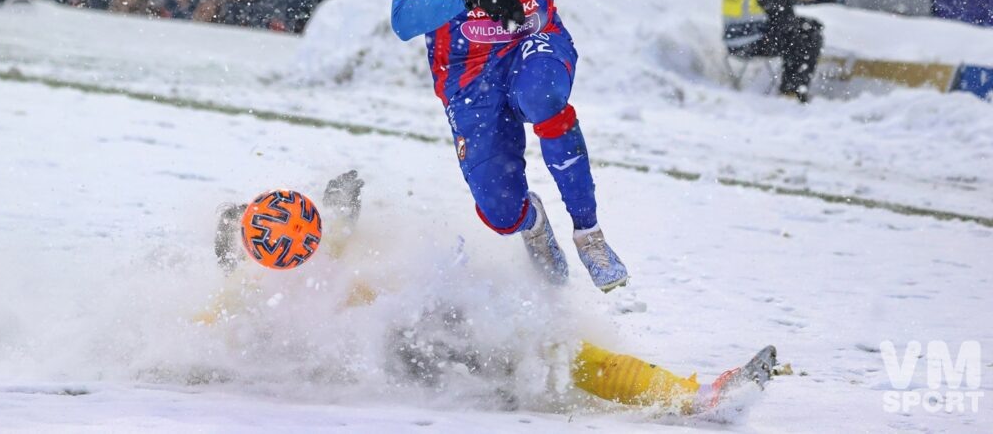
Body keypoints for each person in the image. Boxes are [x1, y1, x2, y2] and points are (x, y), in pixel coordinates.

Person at [389, 0, 687, 292]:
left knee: (543, 94)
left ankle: (589, 234)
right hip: (466, 73)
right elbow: (404, 19)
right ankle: (532, 224)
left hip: (534, 39)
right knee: (499, 211)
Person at [210, 170, 778, 413]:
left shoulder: (314, 245)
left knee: (559, 353)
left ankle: (692, 398)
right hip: (417, 347)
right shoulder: (246, 291)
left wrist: (342, 204)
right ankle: (692, 400)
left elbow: (336, 232)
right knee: (556, 357)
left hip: (432, 324)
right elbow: (203, 337)